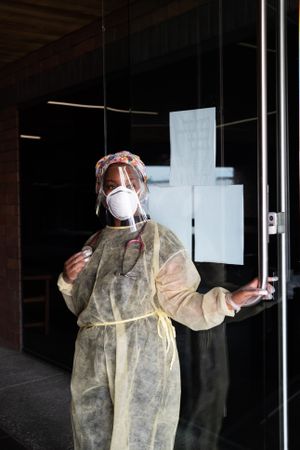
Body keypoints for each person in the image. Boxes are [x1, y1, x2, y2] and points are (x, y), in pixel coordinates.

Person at [57, 150, 275, 450]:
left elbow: (182, 302)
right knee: (92, 431)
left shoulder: (158, 240)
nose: (120, 190)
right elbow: (85, 309)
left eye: (129, 182)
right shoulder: (94, 243)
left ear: (142, 187)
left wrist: (230, 300)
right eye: (111, 184)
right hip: (92, 360)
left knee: (140, 435)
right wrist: (69, 281)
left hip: (143, 356)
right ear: (101, 190)